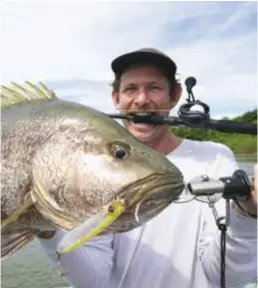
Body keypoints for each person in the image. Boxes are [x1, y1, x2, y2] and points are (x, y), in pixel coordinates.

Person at [38, 48, 257, 288]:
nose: (141, 99)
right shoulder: (91, 168)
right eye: (131, 89)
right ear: (116, 98)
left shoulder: (215, 157)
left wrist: (248, 214)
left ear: (175, 96)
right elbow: (94, 281)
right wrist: (48, 230)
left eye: (154, 87)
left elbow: (228, 276)